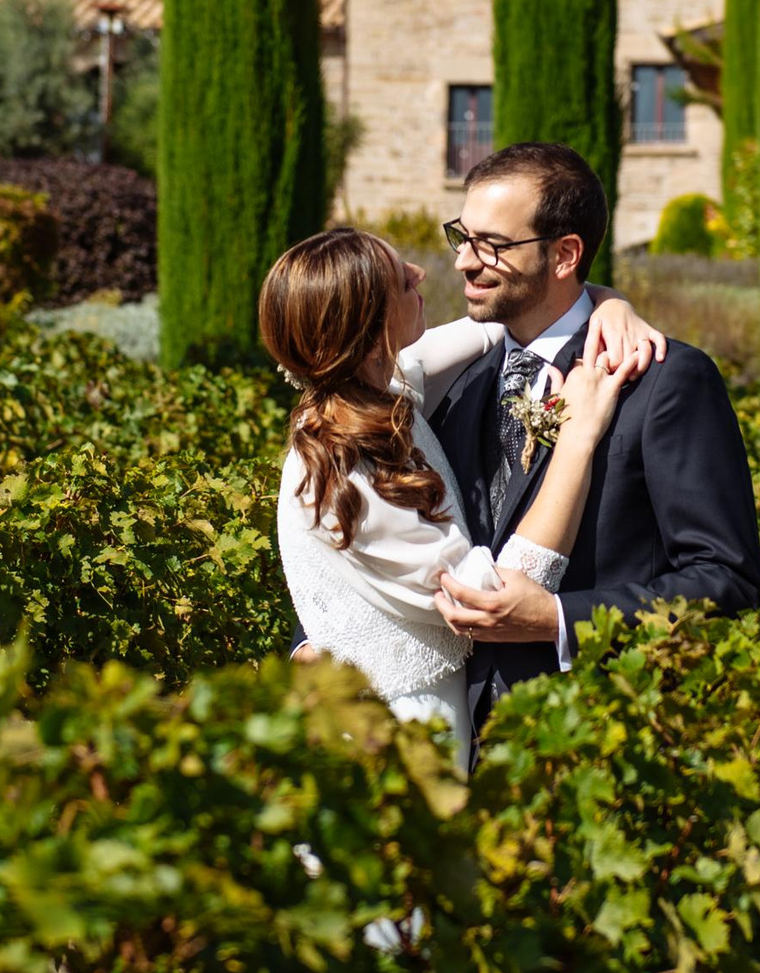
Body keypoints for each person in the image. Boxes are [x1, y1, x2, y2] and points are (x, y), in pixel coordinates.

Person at [259, 226, 665, 764]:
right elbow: (486, 597)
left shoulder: (380, 386)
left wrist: (609, 304)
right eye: (402, 280)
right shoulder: (345, 467)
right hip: (397, 731)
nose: (421, 274)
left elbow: (492, 329)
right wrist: (577, 438)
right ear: (372, 323)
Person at [425, 142, 760, 751]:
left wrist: (557, 621)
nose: (464, 263)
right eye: (461, 236)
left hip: (602, 746)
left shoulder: (665, 382)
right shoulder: (459, 380)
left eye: (492, 246)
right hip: (458, 750)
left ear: (565, 255)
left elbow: (727, 583)